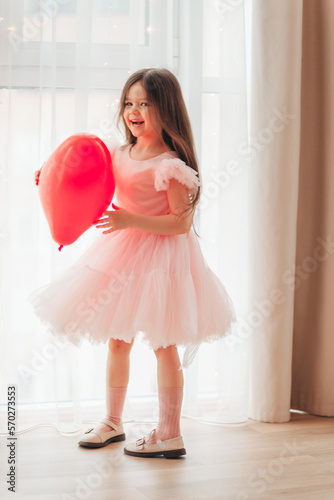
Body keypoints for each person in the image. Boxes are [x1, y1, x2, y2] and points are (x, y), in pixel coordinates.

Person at [30, 68, 236, 459]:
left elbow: (181, 222)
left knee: (163, 343)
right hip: (123, 253)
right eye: (129, 103)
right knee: (118, 338)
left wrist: (127, 219)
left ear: (166, 110)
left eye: (145, 103)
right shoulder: (119, 153)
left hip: (163, 260)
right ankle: (112, 420)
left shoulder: (170, 164)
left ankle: (170, 432)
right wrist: (51, 177)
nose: (134, 111)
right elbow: (82, 173)